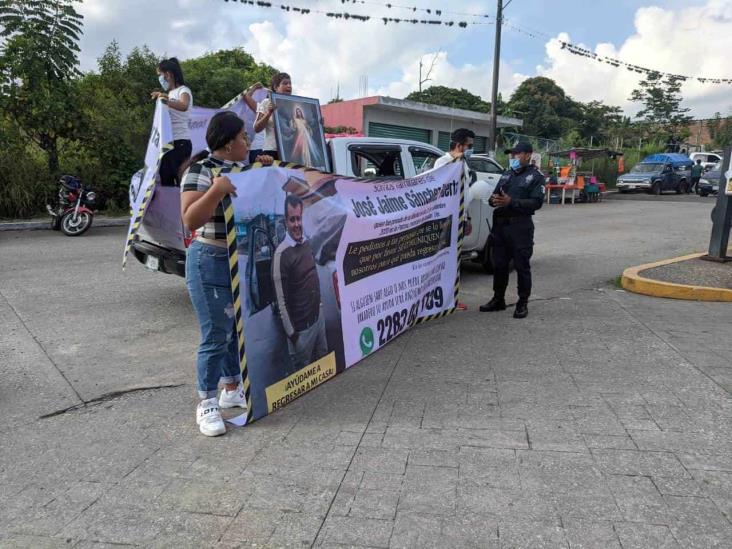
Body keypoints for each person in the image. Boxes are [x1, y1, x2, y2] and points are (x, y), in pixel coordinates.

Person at [180, 111, 273, 437]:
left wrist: (265, 171)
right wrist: (216, 190)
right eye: (244, 137)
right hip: (209, 258)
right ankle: (206, 403)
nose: (248, 142)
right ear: (229, 141)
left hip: (240, 260)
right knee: (215, 333)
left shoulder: (246, 170)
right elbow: (191, 220)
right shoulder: (201, 170)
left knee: (236, 328)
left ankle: (231, 386)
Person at [479, 142, 544, 319]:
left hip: (520, 227)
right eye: (511, 155)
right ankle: (498, 299)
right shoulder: (506, 174)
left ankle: (522, 303)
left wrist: (512, 202)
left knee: (522, 266)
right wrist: (494, 200)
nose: (513, 158)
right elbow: (495, 195)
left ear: (528, 155)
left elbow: (536, 202)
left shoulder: (535, 176)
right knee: (499, 265)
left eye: (517, 154)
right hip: (501, 227)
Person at [272, 194, 328, 374]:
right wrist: (294, 336)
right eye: (292, 219)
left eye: (299, 218)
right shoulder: (281, 254)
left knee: (325, 367)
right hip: (301, 333)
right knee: (304, 378)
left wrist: (320, 308)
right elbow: (281, 302)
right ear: (286, 221)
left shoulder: (307, 243)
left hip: (318, 321)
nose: (297, 224)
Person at [433, 128, 475, 311]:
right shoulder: (442, 163)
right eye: (469, 146)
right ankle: (440, 298)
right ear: (459, 145)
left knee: (455, 261)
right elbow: (438, 191)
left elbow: (465, 192)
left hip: (460, 219)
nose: (471, 149)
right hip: (445, 221)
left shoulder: (463, 164)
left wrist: (467, 218)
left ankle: (452, 298)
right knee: (441, 260)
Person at [152, 58, 193, 187]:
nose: (160, 78)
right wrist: (164, 97)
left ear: (168, 74)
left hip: (180, 143)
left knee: (181, 182)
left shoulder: (184, 90)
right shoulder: (170, 93)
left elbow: (183, 105)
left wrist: (165, 100)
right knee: (166, 182)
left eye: (160, 75)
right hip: (168, 144)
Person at [254, 72, 293, 159]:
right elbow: (256, 128)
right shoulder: (267, 102)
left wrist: (317, 124)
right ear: (276, 87)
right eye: (285, 83)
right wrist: (269, 113)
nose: (289, 86)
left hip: (290, 152)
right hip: (271, 152)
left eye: (290, 83)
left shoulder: (294, 106)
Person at [241, 82, 267, 165]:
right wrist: (254, 87)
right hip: (258, 149)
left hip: (273, 149)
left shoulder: (284, 114)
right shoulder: (261, 107)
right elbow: (246, 97)